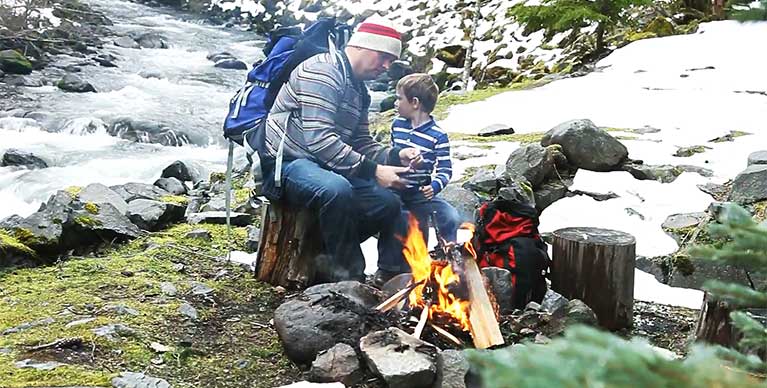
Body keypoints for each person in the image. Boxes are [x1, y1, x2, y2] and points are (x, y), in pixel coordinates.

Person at [258, 16, 421, 283]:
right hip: (286, 163)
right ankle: (350, 280)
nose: (386, 66)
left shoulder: (359, 89)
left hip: (325, 165)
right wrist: (375, 171)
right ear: (363, 47)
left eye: (390, 60)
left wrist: (395, 155)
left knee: (388, 202)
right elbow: (320, 140)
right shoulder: (323, 72)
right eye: (383, 57)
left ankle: (391, 276)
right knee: (336, 190)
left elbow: (361, 143)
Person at [373, 73, 462, 286]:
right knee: (395, 216)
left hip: (420, 191)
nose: (395, 103)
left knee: (449, 216)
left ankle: (447, 262)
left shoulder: (437, 136)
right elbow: (391, 152)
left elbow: (445, 169)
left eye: (398, 98)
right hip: (396, 187)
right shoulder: (397, 125)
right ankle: (386, 269)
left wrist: (435, 186)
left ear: (414, 103)